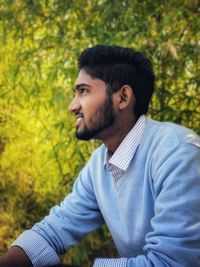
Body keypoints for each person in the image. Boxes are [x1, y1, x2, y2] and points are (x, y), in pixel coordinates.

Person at [0, 45, 200, 267]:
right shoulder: (98, 165)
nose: (72, 106)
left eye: (83, 91)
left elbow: (171, 263)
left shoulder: (177, 153)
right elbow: (55, 230)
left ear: (123, 97)